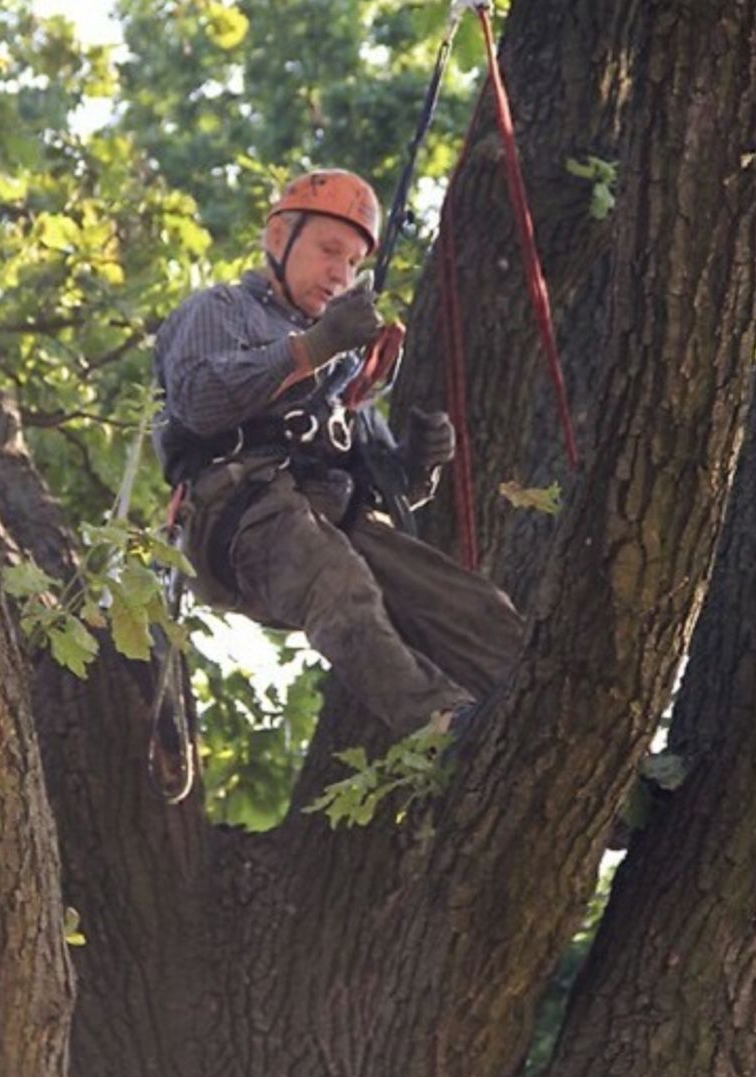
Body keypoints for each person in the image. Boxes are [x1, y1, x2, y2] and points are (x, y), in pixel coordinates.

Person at [153, 168, 523, 739]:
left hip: (331, 517)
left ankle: (567, 733)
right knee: (340, 585)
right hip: (242, 512)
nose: (340, 273)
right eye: (329, 251)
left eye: (352, 263)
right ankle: (446, 732)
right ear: (279, 239)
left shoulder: (343, 357)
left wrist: (418, 462)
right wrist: (314, 347)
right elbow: (202, 399)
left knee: (473, 610)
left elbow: (378, 472)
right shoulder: (222, 311)